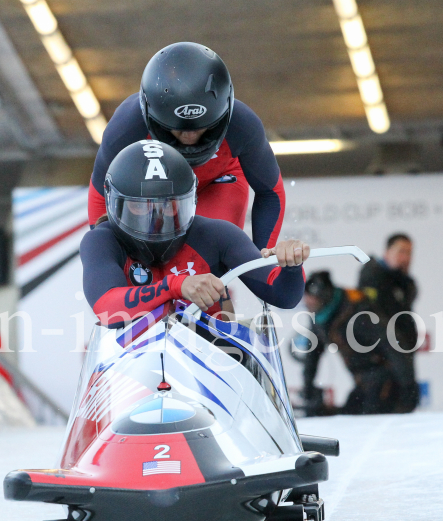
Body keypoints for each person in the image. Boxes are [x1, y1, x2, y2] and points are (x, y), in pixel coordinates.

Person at [80, 141, 307, 327]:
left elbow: (283, 295)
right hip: (132, 365)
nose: (156, 221)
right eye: (141, 206)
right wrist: (176, 286)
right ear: (115, 203)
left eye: (168, 205)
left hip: (215, 357)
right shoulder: (101, 240)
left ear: (189, 201)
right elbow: (107, 309)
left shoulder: (216, 235)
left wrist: (291, 266)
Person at [87, 42, 286, 252]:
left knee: (209, 254)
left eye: (202, 128)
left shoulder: (243, 125)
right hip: (156, 196)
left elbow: (270, 192)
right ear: (152, 118)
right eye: (177, 129)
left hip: (217, 183)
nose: (190, 137)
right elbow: (102, 194)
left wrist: (263, 259)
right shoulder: (126, 128)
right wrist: (106, 253)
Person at [295, 271, 409, 416]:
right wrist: (308, 389)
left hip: (385, 380)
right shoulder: (320, 316)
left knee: (366, 420)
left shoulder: (358, 310)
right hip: (363, 382)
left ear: (323, 296)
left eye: (311, 298)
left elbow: (392, 344)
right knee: (347, 418)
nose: (307, 302)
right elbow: (312, 356)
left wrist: (408, 387)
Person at [358, 233, 419, 412]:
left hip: (403, 353)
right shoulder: (372, 276)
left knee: (406, 407)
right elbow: (376, 324)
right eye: (401, 251)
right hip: (383, 361)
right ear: (387, 252)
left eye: (409, 253)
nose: (406, 258)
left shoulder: (404, 281)